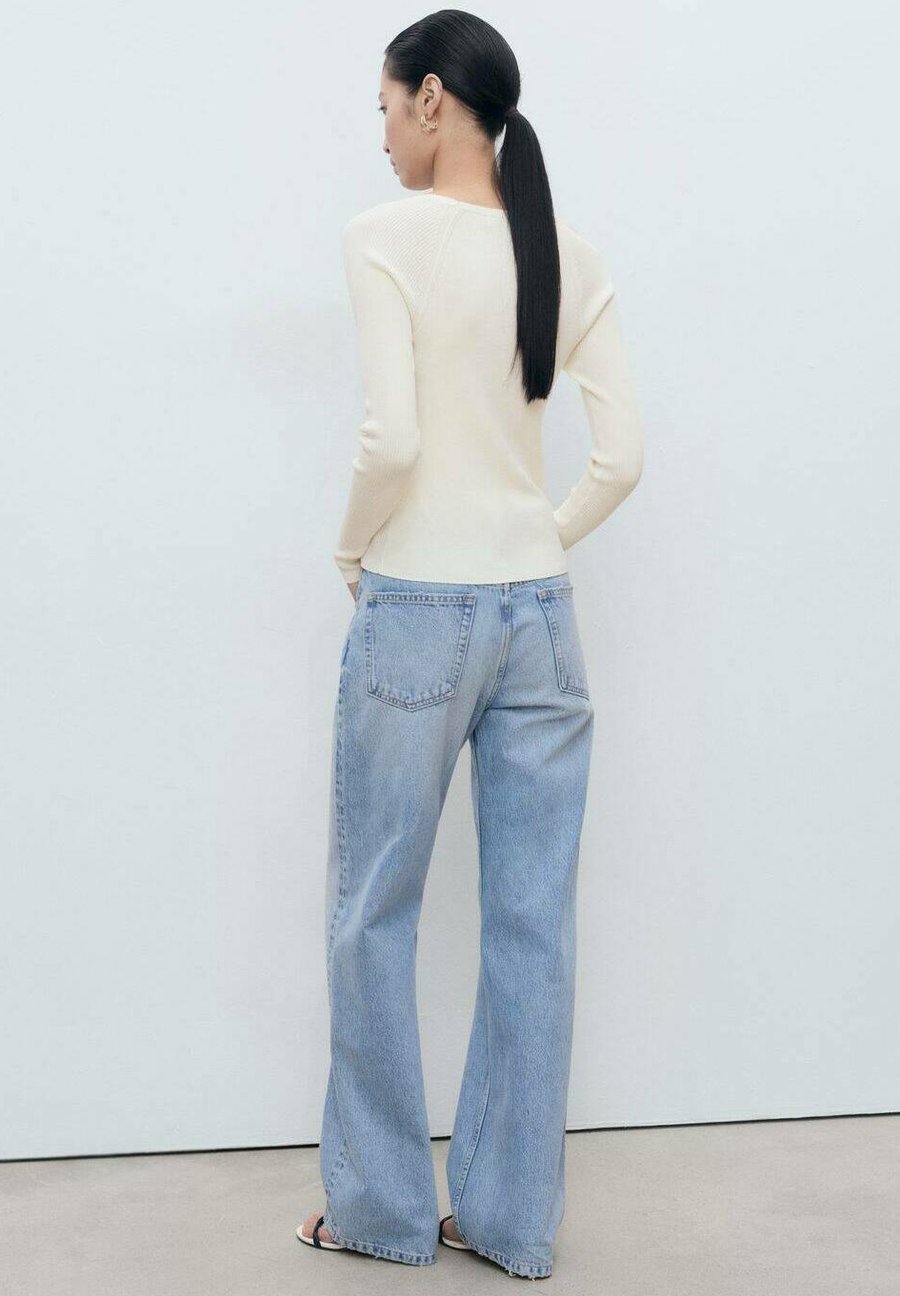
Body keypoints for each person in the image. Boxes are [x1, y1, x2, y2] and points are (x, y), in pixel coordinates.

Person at [297, 9, 643, 1281]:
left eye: (387, 109)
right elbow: (623, 459)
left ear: (434, 100)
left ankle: (382, 1212)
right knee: (533, 924)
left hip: (419, 607)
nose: (383, 134)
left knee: (372, 912)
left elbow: (390, 442)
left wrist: (352, 550)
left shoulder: (384, 239)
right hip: (541, 616)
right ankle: (507, 1221)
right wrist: (537, 536)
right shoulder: (570, 253)